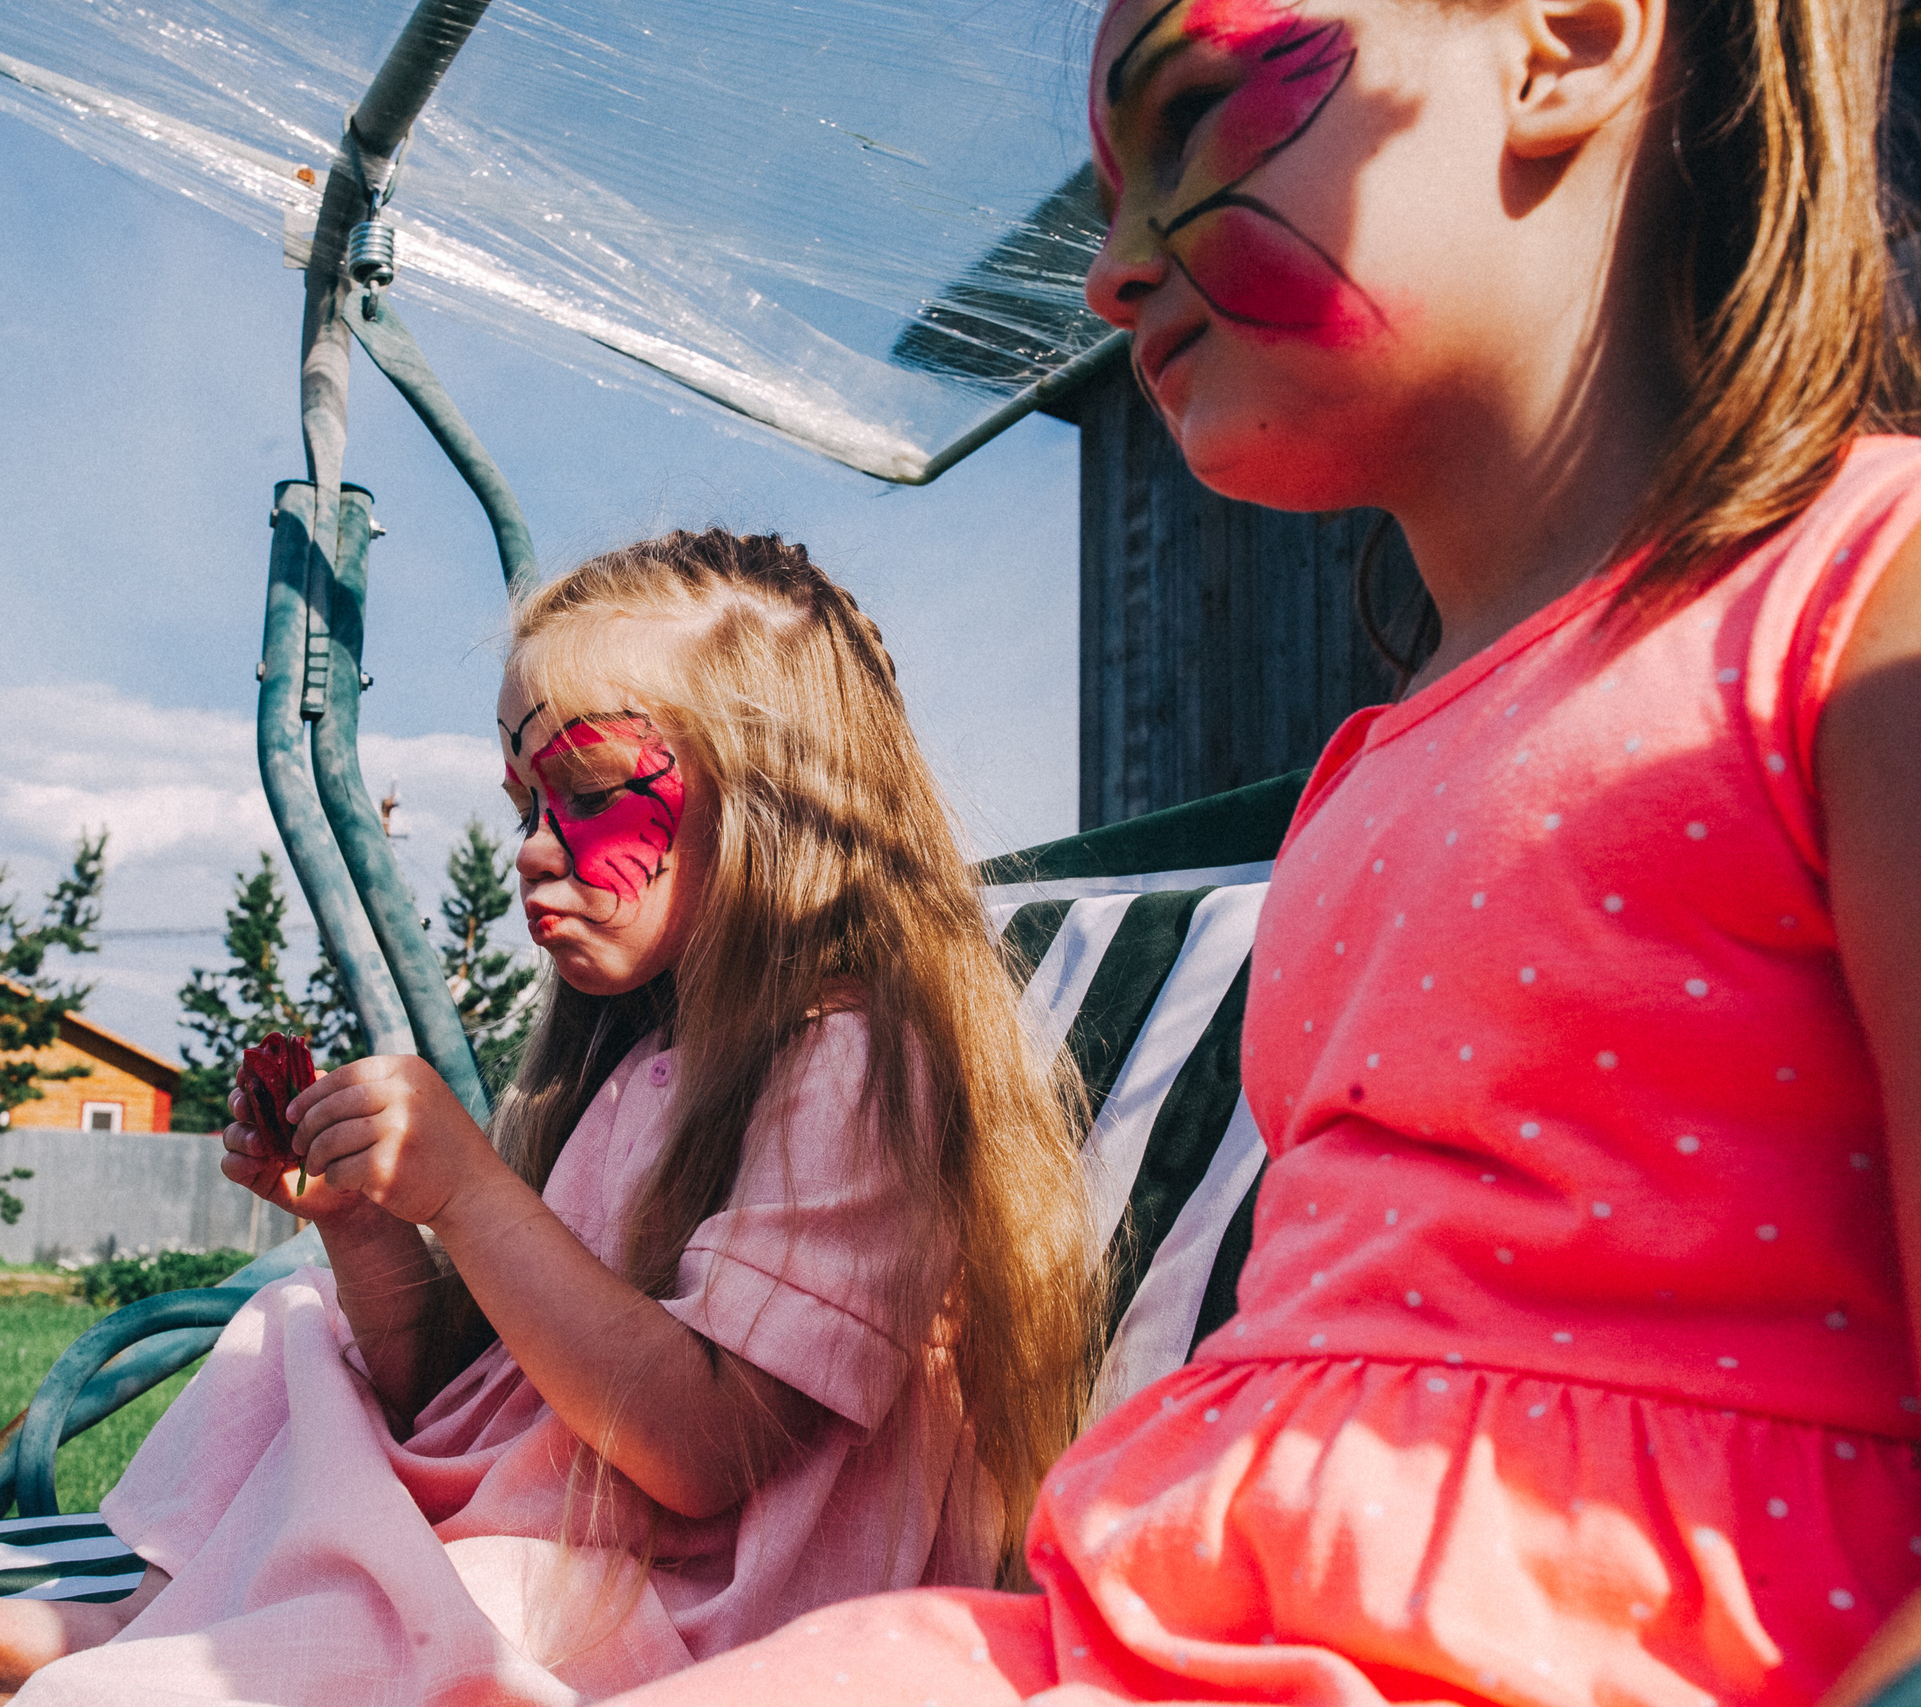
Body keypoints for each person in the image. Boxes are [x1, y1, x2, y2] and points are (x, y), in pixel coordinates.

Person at [595, 0, 1921, 1703]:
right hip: (1168, 1623)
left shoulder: (1864, 606)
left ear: (1571, 38)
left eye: (1202, 115)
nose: (1107, 274)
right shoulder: (1372, 763)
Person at [0, 530, 1106, 1707]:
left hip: (707, 1608)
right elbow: (470, 1395)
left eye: (594, 793)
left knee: (474, 1592)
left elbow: (694, 1457)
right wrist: (375, 1232)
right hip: (562, 1527)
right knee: (285, 1326)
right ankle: (147, 1621)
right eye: (522, 804)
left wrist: (472, 1196)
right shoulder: (635, 1068)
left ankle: (167, 1658)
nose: (532, 849)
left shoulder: (851, 1067)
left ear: (786, 801)